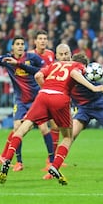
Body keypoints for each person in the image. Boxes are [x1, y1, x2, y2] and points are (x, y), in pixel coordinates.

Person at [0, 46, 103, 185]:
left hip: (43, 95)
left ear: (69, 54)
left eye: (66, 53)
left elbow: (38, 75)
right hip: (60, 98)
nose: (65, 56)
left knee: (22, 129)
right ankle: (54, 166)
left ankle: (7, 159)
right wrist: (94, 87)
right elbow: (74, 74)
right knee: (68, 137)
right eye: (62, 54)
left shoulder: (53, 65)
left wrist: (45, 89)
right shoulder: (77, 65)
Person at [42, 45, 103, 180]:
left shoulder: (87, 76)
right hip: (83, 110)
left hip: (100, 107)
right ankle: (53, 168)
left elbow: (102, 89)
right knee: (69, 138)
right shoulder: (68, 76)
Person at [0, 29, 54, 172]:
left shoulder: (32, 57)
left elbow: (45, 71)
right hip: (21, 101)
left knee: (44, 128)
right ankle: (19, 162)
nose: (20, 46)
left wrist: (19, 64)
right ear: (12, 47)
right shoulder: (7, 59)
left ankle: (51, 161)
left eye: (22, 43)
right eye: (18, 44)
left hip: (36, 100)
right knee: (16, 129)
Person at [29, 30, 62, 171]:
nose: (42, 41)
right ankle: (8, 156)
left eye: (45, 38)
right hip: (33, 96)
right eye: (40, 38)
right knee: (39, 128)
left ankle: (51, 158)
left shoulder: (50, 55)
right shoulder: (30, 55)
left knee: (55, 126)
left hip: (48, 94)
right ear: (35, 41)